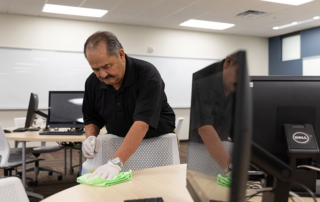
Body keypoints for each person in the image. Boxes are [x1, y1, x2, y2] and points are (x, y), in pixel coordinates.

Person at [81, 31, 176, 180]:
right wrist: (90, 138)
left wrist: (116, 162)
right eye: (95, 69)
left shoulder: (147, 74)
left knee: (156, 187)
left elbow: (142, 124)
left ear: (121, 55)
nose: (102, 75)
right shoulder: (92, 82)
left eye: (107, 66)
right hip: (119, 142)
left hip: (157, 143)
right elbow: (91, 118)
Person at [189, 54, 238, 176]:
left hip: (224, 149)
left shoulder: (235, 86)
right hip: (199, 151)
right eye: (237, 73)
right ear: (228, 62)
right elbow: (205, 129)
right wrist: (232, 171)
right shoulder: (201, 80)